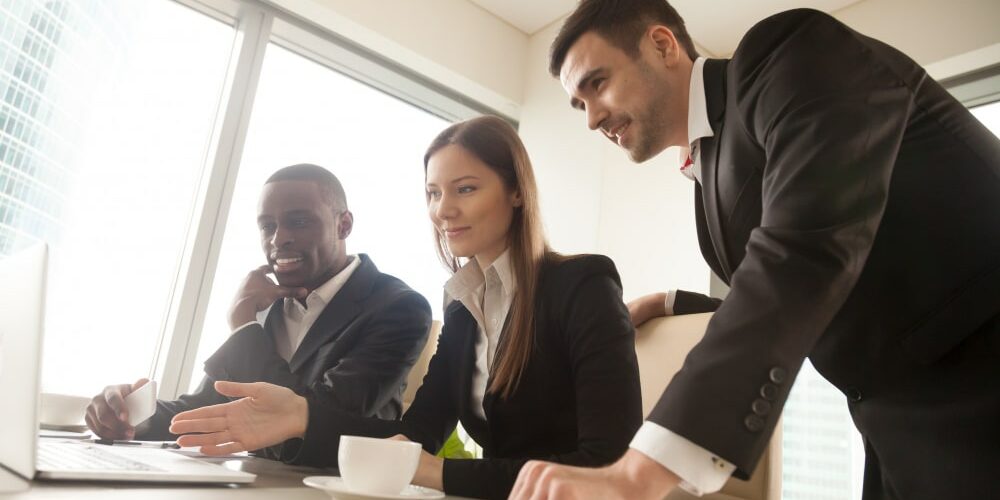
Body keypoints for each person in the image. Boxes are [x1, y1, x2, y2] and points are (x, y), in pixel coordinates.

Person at [510, 1, 1000, 499]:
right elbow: (788, 291)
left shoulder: (784, 51)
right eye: (579, 104)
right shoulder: (705, 181)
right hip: (892, 422)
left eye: (597, 84)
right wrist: (671, 303)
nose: (592, 119)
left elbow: (804, 246)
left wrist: (641, 471)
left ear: (662, 46)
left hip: (977, 378)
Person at [168, 116, 643, 499]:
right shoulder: (462, 304)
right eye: (434, 193)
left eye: (465, 189)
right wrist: (303, 416)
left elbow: (607, 463)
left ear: (517, 192)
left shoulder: (581, 284)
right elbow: (416, 433)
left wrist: (442, 475)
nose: (443, 210)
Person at [85, 164, 433, 461]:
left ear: (343, 225)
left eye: (298, 222)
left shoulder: (399, 308)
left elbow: (319, 414)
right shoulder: (266, 307)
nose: (278, 239)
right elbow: (210, 403)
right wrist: (131, 417)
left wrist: (242, 325)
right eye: (267, 226)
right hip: (257, 482)